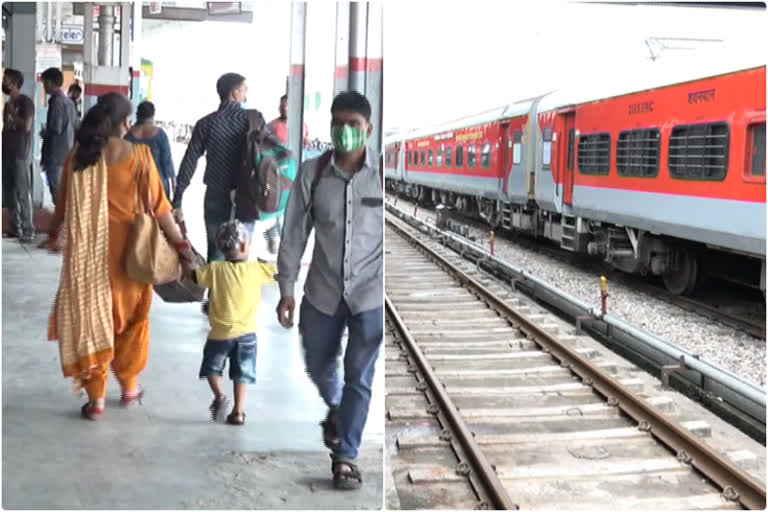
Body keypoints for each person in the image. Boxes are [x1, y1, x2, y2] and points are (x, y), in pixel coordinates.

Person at [40, 92, 196, 421]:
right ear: (126, 123)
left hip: (89, 262)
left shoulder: (77, 157)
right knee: (134, 323)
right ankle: (128, 387)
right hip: (132, 259)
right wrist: (183, 250)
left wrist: (54, 235)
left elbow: (63, 206)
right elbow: (162, 210)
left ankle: (96, 399)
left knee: (93, 324)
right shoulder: (140, 158)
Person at [276, 91, 383, 490]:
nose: (345, 133)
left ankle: (346, 456)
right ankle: (337, 407)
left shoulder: (383, 177)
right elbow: (293, 234)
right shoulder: (312, 173)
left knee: (360, 375)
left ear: (368, 130)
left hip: (370, 295)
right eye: (338, 124)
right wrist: (286, 287)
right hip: (322, 290)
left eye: (353, 126)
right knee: (319, 364)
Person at [172, 73, 274, 314]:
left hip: (216, 195)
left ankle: (216, 303)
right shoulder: (253, 120)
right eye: (245, 90)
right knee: (241, 252)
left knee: (215, 251)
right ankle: (236, 305)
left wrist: (177, 199)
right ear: (235, 93)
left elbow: (189, 162)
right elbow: (269, 156)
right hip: (245, 197)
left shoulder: (206, 123)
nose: (246, 95)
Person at [193, 220, 276, 426]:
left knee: (212, 368)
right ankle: (238, 412)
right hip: (247, 335)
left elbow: (194, 277)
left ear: (221, 248)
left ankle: (220, 396)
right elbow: (279, 273)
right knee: (242, 374)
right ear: (245, 246)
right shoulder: (257, 270)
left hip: (219, 334)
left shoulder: (214, 269)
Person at [2, 68, 36, 242]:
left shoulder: (25, 102)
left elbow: (27, 126)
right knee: (9, 192)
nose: (4, 82)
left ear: (15, 82)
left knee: (23, 192)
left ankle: (28, 228)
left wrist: (13, 113)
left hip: (20, 153)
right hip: (7, 152)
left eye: (6, 79)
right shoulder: (7, 104)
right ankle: (15, 228)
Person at [40, 67, 78, 206]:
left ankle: (61, 219)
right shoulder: (69, 102)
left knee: (55, 187)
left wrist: (45, 133)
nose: (44, 87)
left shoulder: (55, 101)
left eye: (44, 83)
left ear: (50, 83)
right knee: (63, 188)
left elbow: (55, 127)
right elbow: (75, 126)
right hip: (67, 151)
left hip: (55, 153)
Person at [125, 101, 176, 199]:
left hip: (134, 182)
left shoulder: (128, 134)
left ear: (137, 114)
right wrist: (174, 182)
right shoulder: (160, 134)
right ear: (153, 115)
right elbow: (167, 161)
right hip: (157, 183)